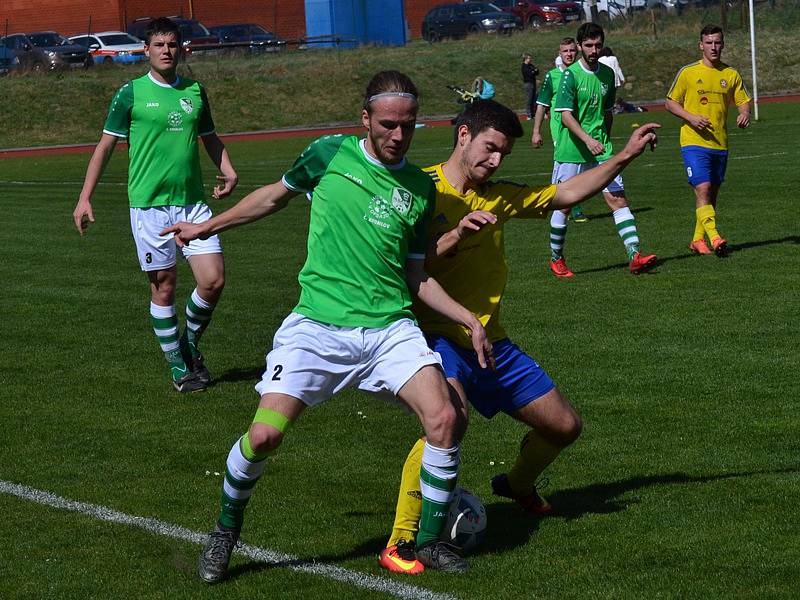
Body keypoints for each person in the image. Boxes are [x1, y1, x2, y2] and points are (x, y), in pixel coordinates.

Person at [162, 70, 494, 582]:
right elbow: (273, 197)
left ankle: (427, 542)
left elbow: (415, 275)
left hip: (389, 330)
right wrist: (206, 226)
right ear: (365, 119)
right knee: (265, 436)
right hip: (318, 328)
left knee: (446, 418)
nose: (398, 136)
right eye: (387, 124)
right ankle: (225, 529)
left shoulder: (419, 189)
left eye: (408, 126)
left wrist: (466, 316)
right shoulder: (328, 154)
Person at [378, 99, 661, 575]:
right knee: (447, 419)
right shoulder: (417, 188)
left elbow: (565, 194)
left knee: (564, 426)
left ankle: (518, 483)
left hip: (491, 342)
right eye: (490, 149)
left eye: (503, 155)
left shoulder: (499, 195)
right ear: (463, 135)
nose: (495, 161)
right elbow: (400, 265)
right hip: (433, 337)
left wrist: (623, 157)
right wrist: (452, 236)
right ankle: (403, 539)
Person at [71, 17, 238, 392]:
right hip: (149, 207)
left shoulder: (195, 91)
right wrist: (84, 198)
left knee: (213, 280)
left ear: (181, 49)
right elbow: (104, 148)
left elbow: (210, 137)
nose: (166, 51)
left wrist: (228, 170)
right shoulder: (130, 94)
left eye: (172, 44)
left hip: (192, 204)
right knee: (164, 287)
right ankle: (179, 366)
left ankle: (189, 342)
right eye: (159, 45)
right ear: (146, 50)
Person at [547, 22, 657, 277]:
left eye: (597, 45)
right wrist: (587, 139)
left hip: (601, 149)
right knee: (563, 205)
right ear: (579, 46)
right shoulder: (569, 75)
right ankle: (556, 258)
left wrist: (604, 140)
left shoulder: (608, 75)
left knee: (617, 199)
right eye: (588, 45)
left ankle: (634, 254)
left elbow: (607, 112)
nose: (593, 50)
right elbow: (565, 116)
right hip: (572, 149)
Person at [664, 24, 751, 256]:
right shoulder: (688, 72)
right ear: (700, 45)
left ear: (722, 44)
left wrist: (744, 113)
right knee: (702, 188)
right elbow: (670, 102)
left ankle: (697, 240)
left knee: (711, 195)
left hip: (720, 143)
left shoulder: (730, 74)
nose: (714, 47)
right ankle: (715, 238)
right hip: (693, 142)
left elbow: (743, 99)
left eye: (717, 42)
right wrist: (690, 117)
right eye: (709, 43)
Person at [532, 37, 587, 223]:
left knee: (580, 171)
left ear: (577, 51)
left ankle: (561, 205)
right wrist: (536, 131)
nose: (569, 54)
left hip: (580, 130)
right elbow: (541, 105)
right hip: (560, 132)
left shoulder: (581, 74)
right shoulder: (552, 76)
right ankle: (570, 208)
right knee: (565, 172)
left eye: (572, 50)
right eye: (565, 51)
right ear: (560, 53)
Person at [521, 53, 539, 120]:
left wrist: (534, 71)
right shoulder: (524, 66)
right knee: (529, 99)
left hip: (533, 83)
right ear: (525, 59)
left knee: (533, 99)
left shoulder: (531, 65)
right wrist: (533, 71)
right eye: (529, 58)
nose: (530, 59)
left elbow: (537, 71)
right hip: (528, 84)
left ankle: (533, 114)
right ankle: (528, 115)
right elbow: (529, 74)